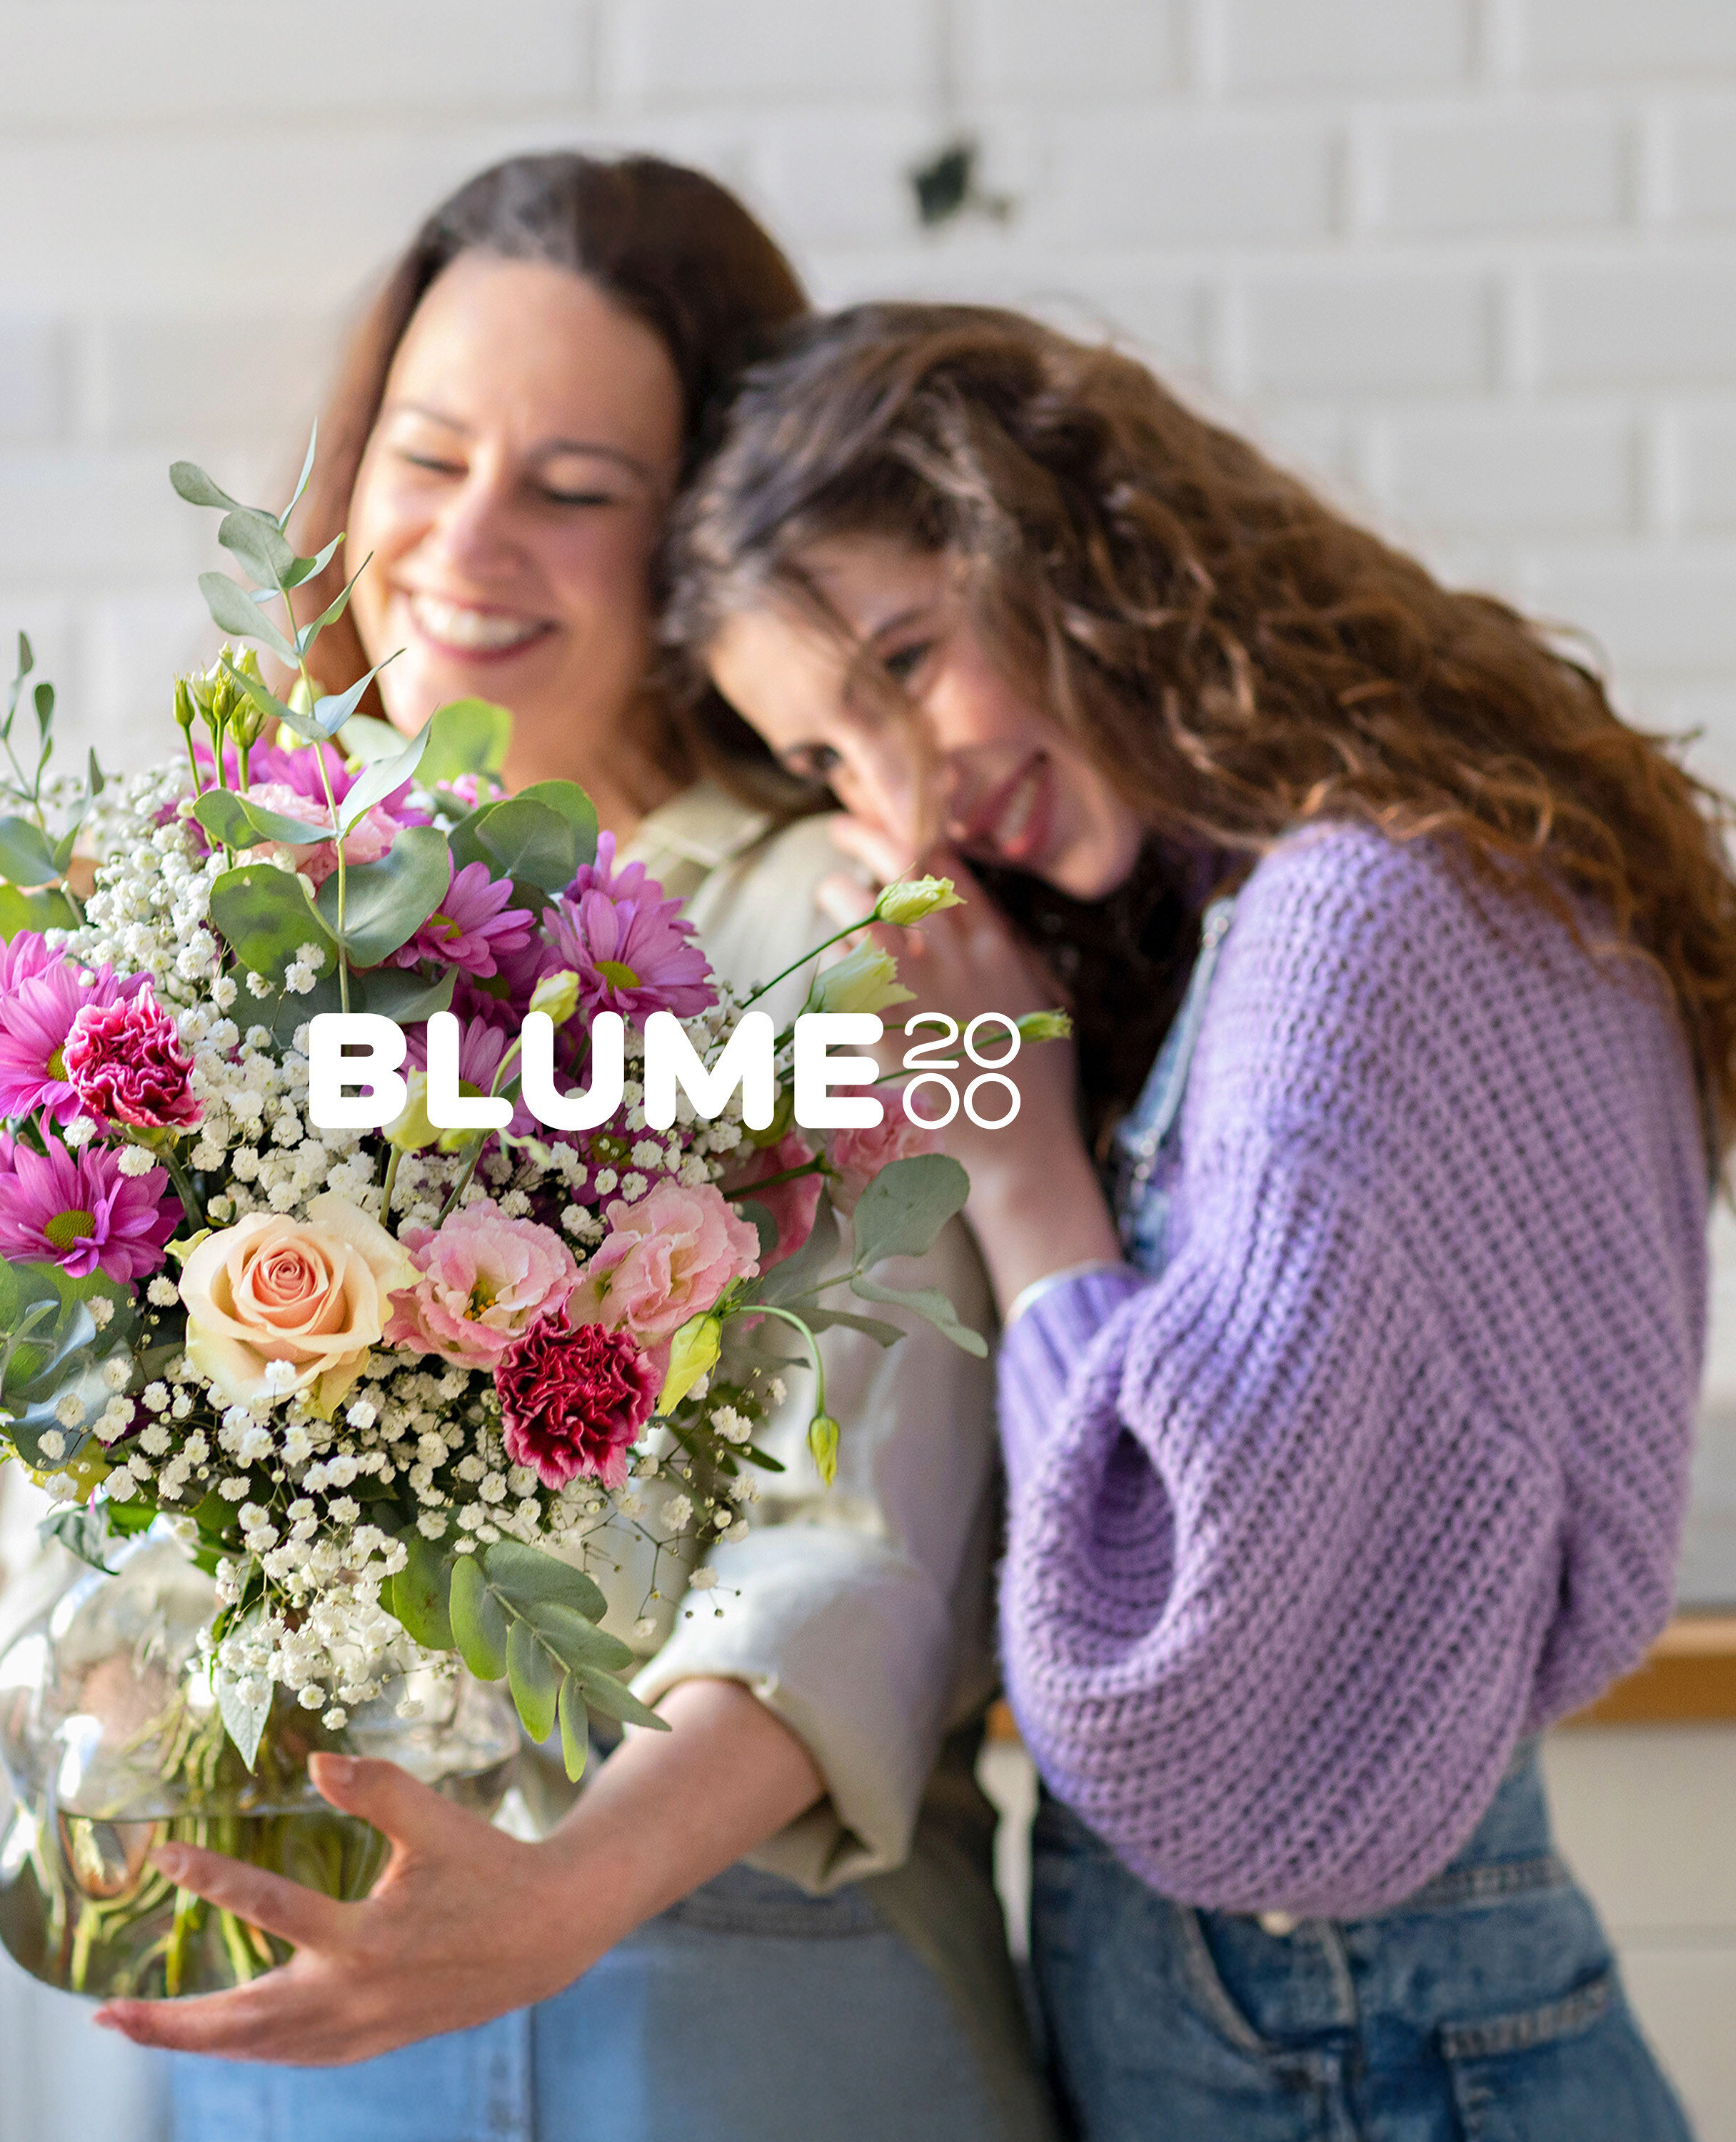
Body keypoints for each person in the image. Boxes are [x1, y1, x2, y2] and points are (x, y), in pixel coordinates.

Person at [0, 162, 1056, 2141]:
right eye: (428, 454)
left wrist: (556, 1895)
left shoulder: (848, 932)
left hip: (731, 1993)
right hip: (305, 2000)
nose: (468, 542)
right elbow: (59, 1448)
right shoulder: (230, 900)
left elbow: (872, 1547)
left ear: (705, 551)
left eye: (574, 488)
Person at [663, 300, 1720, 2141]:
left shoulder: (1340, 933)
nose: (901, 800)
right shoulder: (1413, 859)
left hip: (1335, 2031)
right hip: (1389, 2002)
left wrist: (1020, 1168)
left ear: (1064, 547)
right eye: (831, 759)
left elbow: (1169, 1665)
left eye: (907, 662)